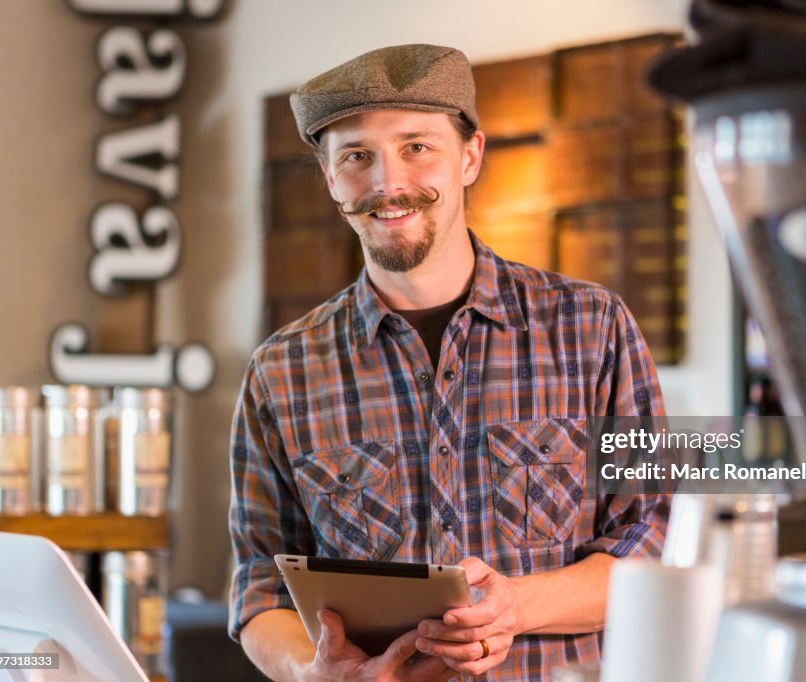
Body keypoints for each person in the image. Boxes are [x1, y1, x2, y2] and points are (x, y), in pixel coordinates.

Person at [228, 43, 669, 682]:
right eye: (356, 157)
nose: (389, 184)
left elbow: (655, 542)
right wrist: (309, 672)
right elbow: (260, 587)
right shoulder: (281, 371)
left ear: (470, 156)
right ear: (329, 178)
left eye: (417, 147)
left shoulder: (595, 327)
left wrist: (515, 606)